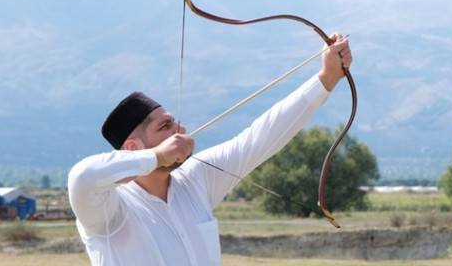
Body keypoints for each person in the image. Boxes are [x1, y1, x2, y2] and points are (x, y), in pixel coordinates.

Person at [68, 34, 352, 266]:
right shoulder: (108, 210)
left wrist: (326, 78)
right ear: (133, 148)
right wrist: (158, 157)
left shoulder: (196, 178)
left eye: (175, 121)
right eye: (165, 126)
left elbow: (260, 138)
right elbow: (82, 177)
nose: (180, 130)